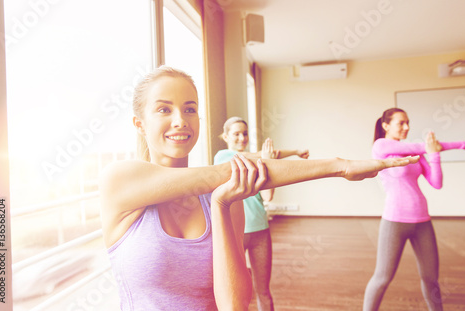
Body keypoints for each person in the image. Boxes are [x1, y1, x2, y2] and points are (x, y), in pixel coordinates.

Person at [99, 66, 419, 311]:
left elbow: (234, 305)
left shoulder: (222, 195)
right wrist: (339, 166)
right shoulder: (120, 181)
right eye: (164, 109)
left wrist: (223, 208)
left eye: (190, 108)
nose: (181, 119)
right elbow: (223, 172)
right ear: (139, 123)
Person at [363, 108, 465, 311]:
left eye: (408, 122)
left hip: (422, 221)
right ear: (386, 125)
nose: (407, 127)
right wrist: (463, 144)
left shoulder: (415, 151)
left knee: (431, 279)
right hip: (395, 221)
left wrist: (434, 155)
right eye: (401, 123)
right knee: (382, 278)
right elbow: (422, 146)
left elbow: (436, 182)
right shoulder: (381, 146)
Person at [214, 116, 309, 311]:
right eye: (236, 133)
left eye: (245, 133)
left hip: (260, 231)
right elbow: (257, 156)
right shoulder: (222, 157)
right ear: (225, 136)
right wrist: (285, 154)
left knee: (263, 291)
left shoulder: (260, 162)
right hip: (235, 235)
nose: (242, 138)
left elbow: (268, 197)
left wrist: (279, 158)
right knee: (237, 292)